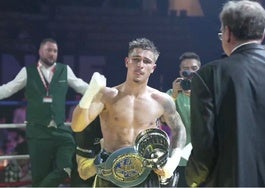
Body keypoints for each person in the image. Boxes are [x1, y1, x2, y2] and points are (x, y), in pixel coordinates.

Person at [71, 38, 186, 187]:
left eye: (146, 61)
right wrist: (89, 95)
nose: (140, 65)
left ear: (153, 68)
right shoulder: (107, 96)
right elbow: (77, 126)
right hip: (110, 172)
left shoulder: (161, 100)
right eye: (136, 59)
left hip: (146, 172)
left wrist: (173, 160)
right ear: (127, 62)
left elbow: (179, 129)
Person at [185, 1, 265, 187]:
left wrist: (191, 180)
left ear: (228, 33)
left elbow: (205, 149)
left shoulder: (209, 75)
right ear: (262, 34)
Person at [0, 38, 88, 186]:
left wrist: (104, 91)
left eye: (55, 51)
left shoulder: (64, 70)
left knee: (66, 167)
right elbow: (8, 88)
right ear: (40, 51)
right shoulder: (27, 72)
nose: (52, 54)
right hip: (37, 132)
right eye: (49, 50)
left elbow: (82, 86)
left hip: (60, 130)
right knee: (39, 176)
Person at [164, 52, 201, 187]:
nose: (189, 71)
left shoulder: (208, 92)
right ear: (180, 71)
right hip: (178, 157)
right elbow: (162, 120)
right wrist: (174, 95)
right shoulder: (170, 94)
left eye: (194, 68)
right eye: (185, 69)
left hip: (201, 158)